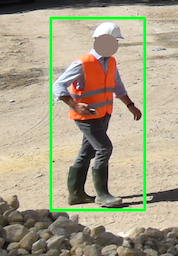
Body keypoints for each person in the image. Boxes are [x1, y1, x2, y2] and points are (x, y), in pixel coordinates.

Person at [54, 22, 142, 207]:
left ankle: (76, 194)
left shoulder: (110, 61)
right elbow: (57, 86)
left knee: (87, 152)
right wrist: (75, 106)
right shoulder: (82, 63)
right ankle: (102, 195)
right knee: (104, 148)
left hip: (103, 114)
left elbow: (117, 86)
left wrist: (130, 105)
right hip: (86, 117)